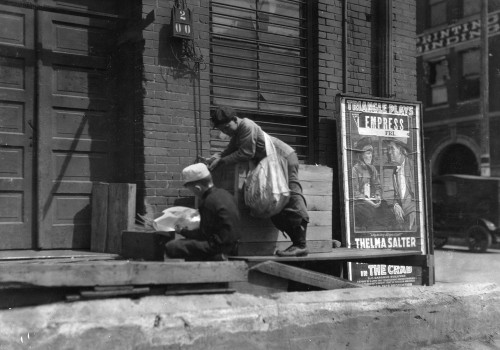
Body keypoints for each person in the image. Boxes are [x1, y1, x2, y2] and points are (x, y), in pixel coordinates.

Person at [207, 105, 310, 257]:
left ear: (235, 120)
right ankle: (297, 243)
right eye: (222, 130)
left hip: (284, 159)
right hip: (273, 162)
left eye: (227, 127)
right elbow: (229, 150)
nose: (226, 132)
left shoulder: (246, 126)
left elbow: (246, 153)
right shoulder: (237, 133)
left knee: (292, 197)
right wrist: (217, 157)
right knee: (273, 205)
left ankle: (301, 245)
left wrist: (222, 162)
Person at [164, 163, 241, 261]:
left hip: (218, 247)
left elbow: (203, 235)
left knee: (172, 246)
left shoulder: (207, 202)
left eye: (192, 190)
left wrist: (183, 231)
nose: (193, 193)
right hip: (233, 245)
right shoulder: (226, 194)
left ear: (198, 188)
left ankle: (216, 258)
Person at [385, 138, 417, 230]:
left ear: (401, 150)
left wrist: (413, 212)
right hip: (402, 216)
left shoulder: (413, 166)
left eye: (392, 149)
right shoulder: (395, 170)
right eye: (388, 149)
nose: (389, 152)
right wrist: (395, 205)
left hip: (413, 214)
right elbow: (394, 194)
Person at [351, 137, 383, 229]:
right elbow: (355, 193)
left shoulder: (372, 169)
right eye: (368, 153)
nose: (370, 156)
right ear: (361, 155)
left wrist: (377, 195)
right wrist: (369, 202)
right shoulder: (355, 170)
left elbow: (378, 186)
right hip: (360, 203)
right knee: (369, 215)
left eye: (371, 153)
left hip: (372, 202)